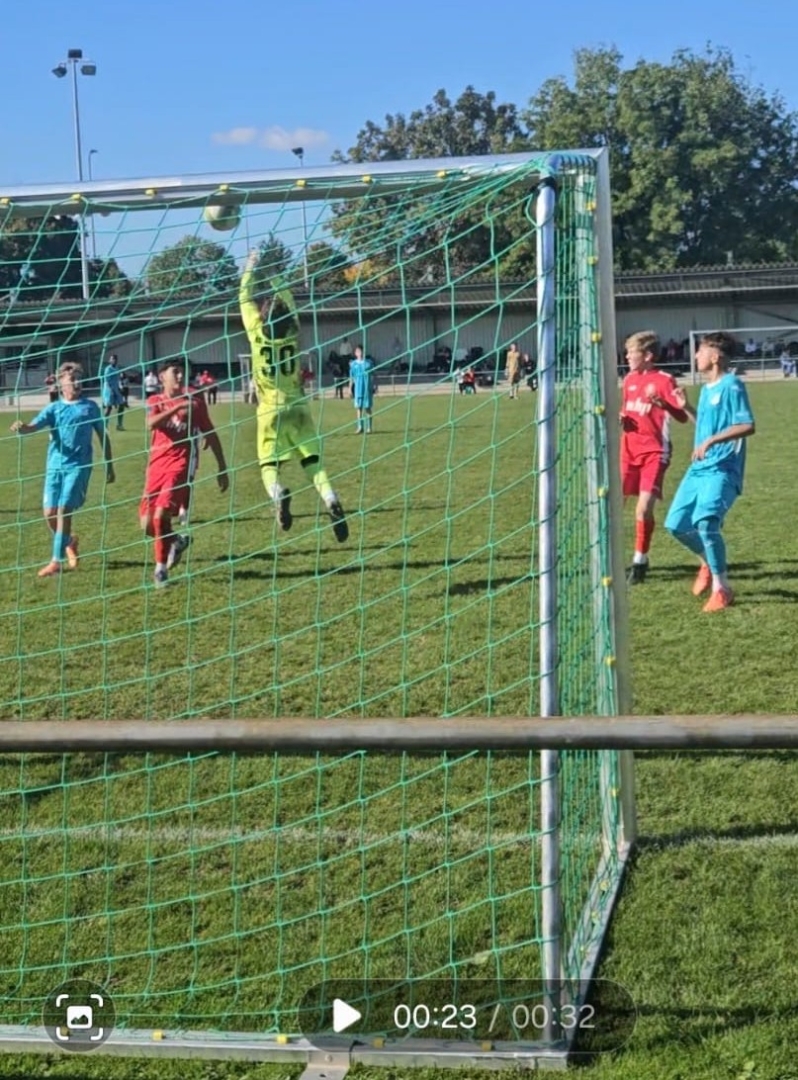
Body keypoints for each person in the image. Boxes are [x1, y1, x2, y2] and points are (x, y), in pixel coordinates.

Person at [239, 251, 348, 541]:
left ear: (262, 315)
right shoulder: (293, 331)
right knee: (312, 461)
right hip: (298, 405)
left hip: (269, 409)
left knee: (268, 465)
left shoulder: (256, 332)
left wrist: (252, 265)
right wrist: (273, 272)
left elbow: (244, 296)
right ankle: (330, 498)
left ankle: (279, 494)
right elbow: (286, 295)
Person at [664, 331, 755, 612]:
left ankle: (722, 588)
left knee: (705, 522)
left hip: (722, 468)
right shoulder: (705, 390)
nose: (695, 355)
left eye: (701, 351)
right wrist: (687, 408)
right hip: (699, 468)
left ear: (715, 357)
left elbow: (747, 425)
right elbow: (704, 426)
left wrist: (713, 441)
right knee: (676, 524)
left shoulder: (732, 385)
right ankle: (708, 561)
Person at [10, 362, 114, 577]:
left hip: (78, 466)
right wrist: (22, 428)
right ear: (60, 384)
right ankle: (70, 541)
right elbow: (33, 427)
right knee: (49, 513)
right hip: (54, 467)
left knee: (64, 509)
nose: (77, 382)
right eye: (72, 379)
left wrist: (109, 464)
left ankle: (55, 562)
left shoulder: (90, 407)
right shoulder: (54, 409)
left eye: (79, 378)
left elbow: (103, 435)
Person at [140, 358, 228, 588]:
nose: (180, 376)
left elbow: (211, 433)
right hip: (155, 467)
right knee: (147, 525)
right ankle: (176, 541)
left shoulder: (195, 404)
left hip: (178, 465)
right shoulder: (155, 400)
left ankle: (160, 570)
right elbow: (150, 424)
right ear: (162, 377)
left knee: (160, 516)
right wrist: (175, 409)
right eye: (175, 372)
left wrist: (222, 467)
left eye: (182, 372)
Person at [620, 330, 688, 585]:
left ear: (648, 355)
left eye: (632, 352)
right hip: (628, 451)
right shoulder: (628, 380)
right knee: (614, 505)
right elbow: (626, 410)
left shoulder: (664, 380)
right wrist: (622, 419)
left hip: (655, 452)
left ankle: (640, 560)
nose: (627, 356)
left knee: (643, 509)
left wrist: (665, 405)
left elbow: (681, 417)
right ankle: (611, 557)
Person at [349, 345, 375, 434]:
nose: (360, 353)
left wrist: (375, 385)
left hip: (367, 389)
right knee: (358, 408)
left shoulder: (368, 363)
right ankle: (360, 427)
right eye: (358, 351)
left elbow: (373, 375)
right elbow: (351, 377)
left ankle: (369, 428)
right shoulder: (353, 364)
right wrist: (349, 389)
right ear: (355, 353)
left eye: (361, 351)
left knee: (367, 408)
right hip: (358, 389)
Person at [100, 353, 125, 431]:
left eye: (115, 359)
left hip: (116, 389)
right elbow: (107, 381)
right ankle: (104, 426)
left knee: (122, 405)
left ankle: (119, 424)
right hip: (109, 389)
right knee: (109, 408)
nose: (114, 360)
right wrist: (111, 391)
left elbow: (118, 379)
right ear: (110, 360)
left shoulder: (117, 368)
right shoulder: (108, 369)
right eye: (112, 359)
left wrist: (120, 387)